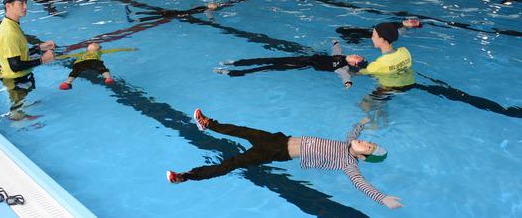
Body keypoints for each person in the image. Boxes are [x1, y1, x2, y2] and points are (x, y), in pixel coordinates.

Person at [166, 109, 403, 209]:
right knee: (243, 130)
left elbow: (360, 184)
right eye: (369, 141)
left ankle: (186, 176)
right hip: (280, 139)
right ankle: (209, 124)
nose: (365, 141)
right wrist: (361, 123)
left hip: (277, 152)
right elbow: (353, 135)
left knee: (231, 164)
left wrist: (382, 199)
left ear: (362, 156)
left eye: (368, 146)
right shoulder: (347, 144)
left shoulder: (348, 162)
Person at [0, 0, 55, 120]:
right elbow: (15, 66)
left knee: (21, 100)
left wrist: (38, 47)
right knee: (16, 110)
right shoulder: (9, 32)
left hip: (16, 78)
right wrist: (42, 60)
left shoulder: (11, 24)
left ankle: (21, 110)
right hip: (14, 80)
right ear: (8, 6)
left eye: (26, 2)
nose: (25, 6)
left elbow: (17, 52)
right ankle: (19, 121)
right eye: (21, 3)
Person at [215, 40, 365, 83]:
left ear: (354, 64)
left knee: (266, 67)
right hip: (301, 58)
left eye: (358, 58)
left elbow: (345, 76)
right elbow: (336, 50)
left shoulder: (343, 68)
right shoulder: (341, 55)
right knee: (266, 60)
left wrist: (348, 83)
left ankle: (231, 73)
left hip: (301, 64)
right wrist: (335, 43)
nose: (356, 54)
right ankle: (235, 63)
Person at [344, 22, 414, 89]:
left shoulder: (379, 64)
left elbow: (355, 74)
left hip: (389, 88)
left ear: (381, 40)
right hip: (410, 82)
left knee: (364, 102)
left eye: (374, 36)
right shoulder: (405, 51)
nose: (372, 38)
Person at [56, 43, 134, 90]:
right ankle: (108, 78)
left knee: (74, 72)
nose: (92, 43)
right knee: (102, 69)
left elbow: (69, 55)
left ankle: (67, 83)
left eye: (94, 44)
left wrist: (57, 58)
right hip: (93, 61)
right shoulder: (99, 52)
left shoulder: (82, 53)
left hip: (79, 63)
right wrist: (129, 49)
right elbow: (116, 50)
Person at [336, 19, 422, 44]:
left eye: (414, 22)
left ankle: (354, 40)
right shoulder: (399, 23)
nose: (411, 20)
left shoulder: (402, 30)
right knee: (341, 30)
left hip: (374, 34)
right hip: (372, 31)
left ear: (412, 27)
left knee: (351, 35)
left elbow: (389, 37)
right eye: (412, 19)